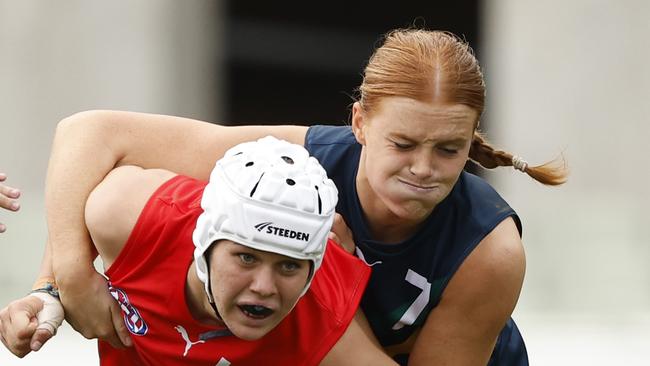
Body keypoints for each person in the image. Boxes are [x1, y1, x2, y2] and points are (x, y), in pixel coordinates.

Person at [1, 28, 567, 365]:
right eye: (403, 143)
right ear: (360, 123)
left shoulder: (488, 250)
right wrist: (63, 279)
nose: (423, 169)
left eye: (448, 149)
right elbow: (88, 134)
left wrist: (336, 279)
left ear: (472, 142)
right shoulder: (297, 165)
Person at [0, 137, 396, 365]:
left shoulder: (327, 323)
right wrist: (54, 286)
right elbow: (79, 182)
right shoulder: (132, 215)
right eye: (246, 257)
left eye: (289, 267)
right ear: (203, 241)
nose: (264, 286)